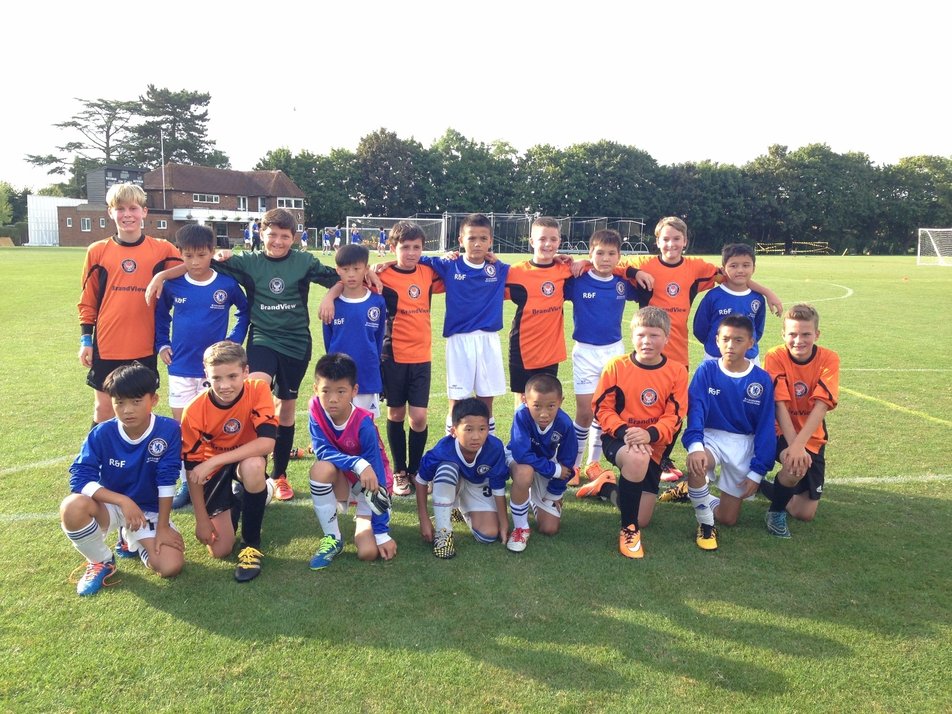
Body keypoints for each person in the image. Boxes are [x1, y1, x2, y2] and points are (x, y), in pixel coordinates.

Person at [146, 208, 341, 503]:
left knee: (286, 409)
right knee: (254, 392)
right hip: (262, 338)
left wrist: (330, 295)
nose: (277, 241)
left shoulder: (304, 261)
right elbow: (198, 265)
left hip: (297, 342)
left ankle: (279, 475)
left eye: (284, 236)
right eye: (272, 234)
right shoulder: (247, 262)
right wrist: (162, 275)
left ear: (294, 238)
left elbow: (339, 277)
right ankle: (250, 470)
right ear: (261, 233)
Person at [614, 217, 782, 482]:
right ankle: (640, 456)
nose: (671, 244)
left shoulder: (696, 267)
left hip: (677, 350)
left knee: (675, 409)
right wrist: (636, 273)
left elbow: (734, 275)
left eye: (676, 239)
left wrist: (767, 292)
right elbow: (613, 264)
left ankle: (662, 458)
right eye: (665, 239)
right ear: (657, 241)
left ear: (685, 241)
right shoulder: (645, 263)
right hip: (648, 349)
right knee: (645, 404)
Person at [59, 363, 184, 596]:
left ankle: (131, 537)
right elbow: (79, 477)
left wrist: (163, 526)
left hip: (149, 509)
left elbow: (167, 478)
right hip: (112, 505)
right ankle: (101, 561)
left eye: (136, 401)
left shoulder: (168, 430)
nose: (127, 410)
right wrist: (123, 501)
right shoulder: (102, 432)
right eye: (120, 402)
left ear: (154, 400)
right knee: (72, 506)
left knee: (170, 566)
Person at [154, 224, 249, 508]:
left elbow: (244, 311)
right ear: (180, 254)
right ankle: (188, 481)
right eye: (188, 256)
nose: (195, 262)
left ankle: (223, 477)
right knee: (184, 429)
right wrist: (162, 343)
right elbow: (161, 317)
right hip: (181, 367)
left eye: (201, 255)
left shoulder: (226, 284)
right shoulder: (173, 285)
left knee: (218, 427)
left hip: (215, 372)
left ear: (212, 252)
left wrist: (233, 340)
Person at [662, 315, 776, 551]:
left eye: (738, 340)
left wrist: (758, 472)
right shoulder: (707, 370)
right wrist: (695, 446)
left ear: (751, 343)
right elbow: (696, 410)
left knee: (728, 518)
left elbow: (766, 427)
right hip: (711, 437)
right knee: (698, 464)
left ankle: (691, 491)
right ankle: (705, 524)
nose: (730, 345)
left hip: (743, 442)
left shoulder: (761, 380)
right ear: (717, 340)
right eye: (725, 339)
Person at [77, 182, 182, 426]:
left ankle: (137, 453)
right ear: (110, 212)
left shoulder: (163, 249)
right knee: (104, 410)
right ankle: (96, 453)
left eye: (133, 208)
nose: (127, 215)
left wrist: (162, 275)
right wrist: (85, 340)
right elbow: (88, 300)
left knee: (139, 410)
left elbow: (192, 267)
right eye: (120, 209)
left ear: (144, 212)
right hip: (108, 344)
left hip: (144, 345)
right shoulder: (97, 251)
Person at [589, 307, 689, 559]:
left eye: (654, 335)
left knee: (643, 516)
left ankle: (605, 487)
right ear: (632, 336)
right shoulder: (616, 366)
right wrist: (626, 432)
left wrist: (650, 435)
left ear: (667, 338)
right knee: (636, 458)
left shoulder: (677, 371)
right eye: (641, 335)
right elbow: (601, 408)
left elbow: (675, 415)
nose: (647, 341)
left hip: (655, 444)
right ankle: (629, 530)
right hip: (619, 439)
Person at [180, 342, 278, 581]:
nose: (225, 385)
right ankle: (243, 497)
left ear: (245, 372)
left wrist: (215, 461)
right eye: (217, 378)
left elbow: (267, 443)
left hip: (242, 461)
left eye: (232, 376)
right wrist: (202, 520)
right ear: (206, 375)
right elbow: (193, 471)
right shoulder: (194, 411)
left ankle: (251, 544)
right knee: (220, 549)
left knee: (254, 466)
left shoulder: (258, 389)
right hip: (213, 473)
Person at [413, 214, 509, 436]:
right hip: (459, 340)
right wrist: (386, 263)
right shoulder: (450, 265)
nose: (477, 243)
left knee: (486, 401)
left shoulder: (499, 268)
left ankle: (490, 447)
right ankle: (450, 445)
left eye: (483, 238)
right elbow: (414, 258)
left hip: (488, 340)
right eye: (471, 238)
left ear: (490, 241)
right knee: (457, 401)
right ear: (460, 240)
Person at [564, 229, 645, 490]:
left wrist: (634, 272)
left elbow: (644, 286)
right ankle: (574, 465)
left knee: (606, 409)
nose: (606, 258)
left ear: (619, 256)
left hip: (614, 352)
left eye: (612, 253)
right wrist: (578, 263)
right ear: (590, 253)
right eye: (599, 253)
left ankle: (593, 463)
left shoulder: (622, 283)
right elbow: (555, 268)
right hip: (585, 352)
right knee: (585, 411)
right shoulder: (577, 280)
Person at [306, 353, 396, 569]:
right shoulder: (315, 408)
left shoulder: (364, 424)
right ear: (316, 389)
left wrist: (381, 532)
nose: (332, 399)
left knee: (368, 553)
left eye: (341, 391)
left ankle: (367, 519)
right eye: (325, 391)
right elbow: (322, 450)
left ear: (354, 391)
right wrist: (357, 463)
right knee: (320, 469)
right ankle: (332, 538)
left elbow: (378, 474)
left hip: (369, 486)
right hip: (344, 478)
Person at [376, 222, 443, 496]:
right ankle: (399, 472)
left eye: (417, 247)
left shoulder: (427, 272)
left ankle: (415, 470)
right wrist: (372, 268)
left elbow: (455, 271)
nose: (412, 252)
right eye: (405, 247)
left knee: (418, 417)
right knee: (396, 413)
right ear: (393, 247)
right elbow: (353, 276)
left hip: (421, 355)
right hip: (393, 354)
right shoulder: (383, 275)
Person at [762, 303, 840, 537]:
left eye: (806, 334)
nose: (799, 340)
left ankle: (765, 487)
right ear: (783, 334)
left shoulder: (829, 358)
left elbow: (821, 406)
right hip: (780, 429)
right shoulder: (775, 356)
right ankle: (775, 513)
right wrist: (793, 447)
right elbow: (779, 404)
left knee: (804, 513)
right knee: (796, 465)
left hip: (811, 434)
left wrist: (800, 445)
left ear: (817, 334)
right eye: (793, 334)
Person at [415, 398, 509, 559]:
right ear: (454, 431)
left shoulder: (495, 447)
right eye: (469, 429)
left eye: (482, 429)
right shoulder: (443, 450)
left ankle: (459, 508)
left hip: (477, 486)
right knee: (447, 469)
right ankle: (443, 533)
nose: (476, 436)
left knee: (488, 535)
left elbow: (498, 486)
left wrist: (504, 522)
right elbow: (421, 480)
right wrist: (423, 519)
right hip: (452, 481)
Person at [504, 217, 575, 406]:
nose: (548, 244)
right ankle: (520, 427)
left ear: (559, 242)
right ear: (532, 241)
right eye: (542, 239)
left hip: (550, 351)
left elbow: (596, 264)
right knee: (523, 402)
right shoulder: (516, 271)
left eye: (553, 239)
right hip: (522, 348)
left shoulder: (565, 269)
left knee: (546, 402)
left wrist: (578, 260)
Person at [504, 374, 578, 552]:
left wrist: (555, 490)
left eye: (551, 406)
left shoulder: (565, 423)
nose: (544, 413)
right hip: (519, 459)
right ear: (525, 400)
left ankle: (533, 499)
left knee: (549, 528)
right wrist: (553, 470)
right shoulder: (521, 415)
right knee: (525, 473)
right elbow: (522, 454)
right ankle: (521, 528)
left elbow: (567, 462)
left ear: (560, 402)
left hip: (545, 463)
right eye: (536, 406)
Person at [322, 244, 387, 417]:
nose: (351, 274)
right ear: (338, 270)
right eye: (345, 269)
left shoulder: (377, 302)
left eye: (356, 269)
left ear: (366, 269)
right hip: (338, 376)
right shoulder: (331, 305)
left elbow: (378, 338)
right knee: (338, 424)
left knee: (365, 424)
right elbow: (329, 341)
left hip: (367, 374)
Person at [692, 243, 766, 362]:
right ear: (724, 270)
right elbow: (700, 329)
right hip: (715, 357)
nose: (740, 270)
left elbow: (758, 329)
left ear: (753, 268)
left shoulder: (757, 298)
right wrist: (713, 345)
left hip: (748, 358)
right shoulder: (713, 296)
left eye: (746, 265)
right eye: (733, 266)